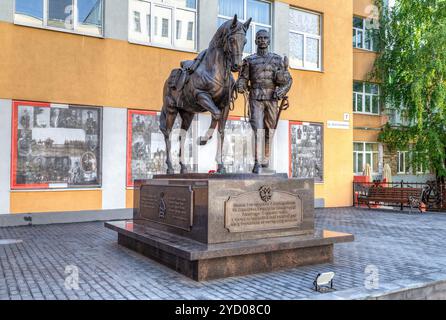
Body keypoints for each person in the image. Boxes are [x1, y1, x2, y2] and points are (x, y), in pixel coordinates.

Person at [237, 30, 293, 173]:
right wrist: (241, 84)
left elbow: (288, 80)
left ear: (269, 41)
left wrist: (282, 91)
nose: (262, 40)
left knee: (270, 129)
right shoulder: (249, 60)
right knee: (258, 129)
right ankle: (256, 161)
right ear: (255, 41)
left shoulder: (277, 59)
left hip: (272, 99)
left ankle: (265, 158)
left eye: (265, 38)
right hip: (255, 97)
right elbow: (243, 78)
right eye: (259, 38)